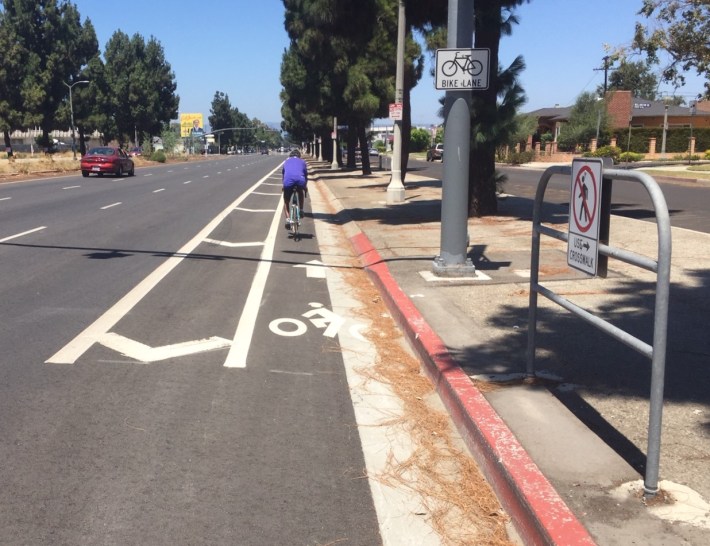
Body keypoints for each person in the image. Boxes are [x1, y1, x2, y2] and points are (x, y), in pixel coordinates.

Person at [282, 149, 308, 228]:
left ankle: (287, 219)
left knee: (286, 201)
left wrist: (284, 186)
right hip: (300, 181)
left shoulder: (286, 162)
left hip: (288, 182)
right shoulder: (302, 162)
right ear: (299, 156)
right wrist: (305, 187)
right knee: (300, 192)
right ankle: (301, 210)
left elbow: (284, 174)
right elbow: (305, 175)